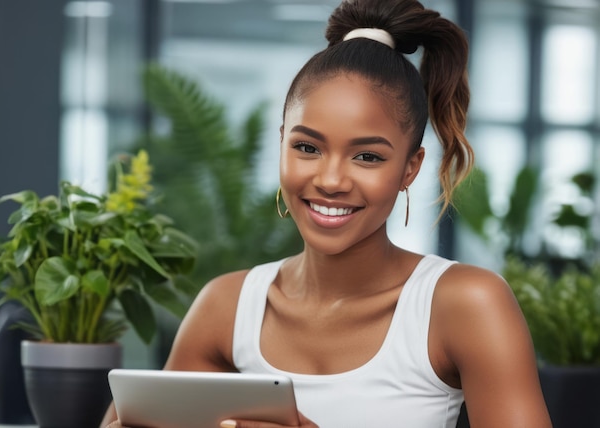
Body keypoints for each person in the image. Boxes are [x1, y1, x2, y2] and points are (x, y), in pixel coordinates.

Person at [102, 0, 552, 426]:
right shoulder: (227, 306)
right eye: (307, 147)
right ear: (281, 143)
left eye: (368, 157)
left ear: (410, 168)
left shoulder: (465, 304)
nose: (331, 179)